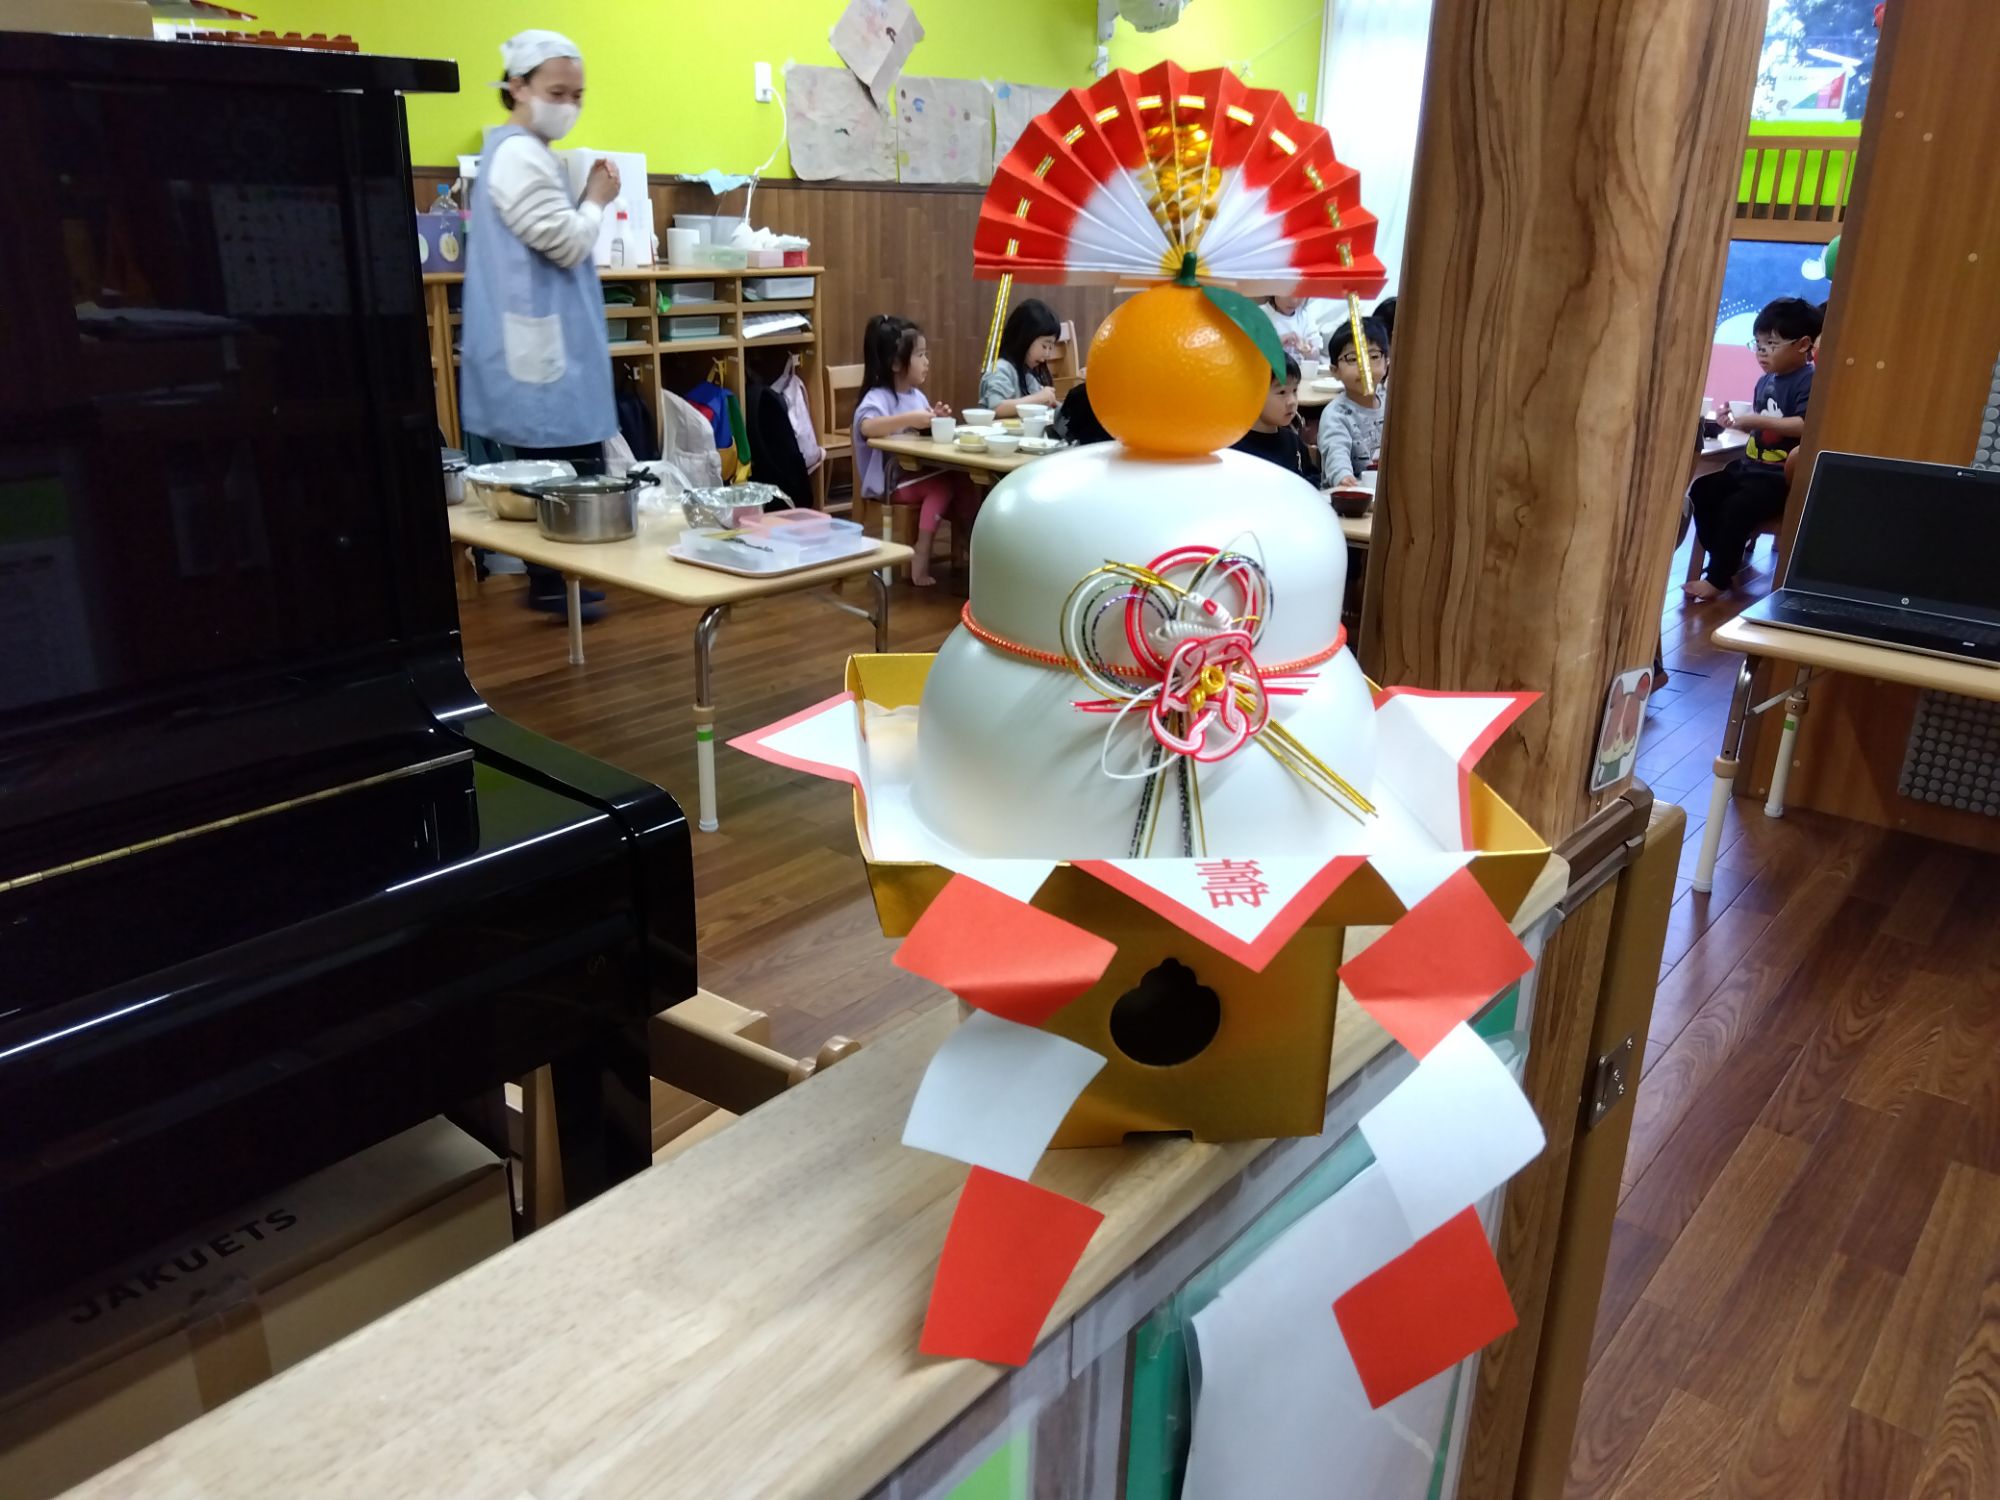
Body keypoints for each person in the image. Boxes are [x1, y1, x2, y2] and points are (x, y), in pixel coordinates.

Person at [460, 29, 621, 619]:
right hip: (539, 348)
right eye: (557, 92)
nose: (569, 106)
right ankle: (556, 583)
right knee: (562, 469)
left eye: (577, 95)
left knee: (560, 465)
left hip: (540, 341)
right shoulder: (518, 156)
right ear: (518, 86)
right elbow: (567, 241)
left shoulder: (521, 152)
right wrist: (597, 198)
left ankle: (561, 581)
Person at [1683, 297, 1821, 601]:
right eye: (1757, 343)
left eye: (1771, 344)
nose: (1761, 351)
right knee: (1702, 490)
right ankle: (1724, 554)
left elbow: (1805, 425)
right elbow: (1762, 429)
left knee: (1738, 507)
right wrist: (1734, 422)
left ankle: (1718, 577)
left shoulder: (1810, 381)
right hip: (1751, 467)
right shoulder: (1766, 380)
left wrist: (1755, 420)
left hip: (1778, 477)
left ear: (1803, 344)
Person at [853, 316, 976, 587]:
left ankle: (974, 548)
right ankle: (921, 553)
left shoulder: (916, 396)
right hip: (890, 483)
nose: (926, 362)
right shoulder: (877, 398)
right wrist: (910, 419)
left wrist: (933, 420)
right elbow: (867, 427)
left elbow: (918, 432)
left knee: (964, 480)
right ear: (897, 363)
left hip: (916, 474)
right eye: (920, 355)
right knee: (941, 487)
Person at [1317, 316, 1389, 490]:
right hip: (1351, 495)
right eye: (1352, 358)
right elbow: (1336, 452)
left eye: (1373, 356)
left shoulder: (1392, 403)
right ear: (1335, 371)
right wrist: (1344, 476)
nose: (1365, 366)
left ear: (1387, 363)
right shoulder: (1336, 415)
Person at [1231, 355, 1317, 484]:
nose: (1292, 401)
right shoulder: (1235, 449)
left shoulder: (1293, 441)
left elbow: (1312, 477)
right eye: (1282, 392)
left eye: (1294, 390)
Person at [978, 299, 1063, 418]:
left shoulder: (1028, 375)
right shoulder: (1000, 369)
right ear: (1024, 338)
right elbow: (996, 408)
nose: (1047, 354)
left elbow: (1046, 403)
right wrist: (1038, 398)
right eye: (1044, 346)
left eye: (1051, 348)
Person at [1262, 294, 1328, 362]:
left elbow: (1315, 356)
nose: (1294, 301)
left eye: (1300, 294)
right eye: (1288, 294)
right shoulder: (1260, 314)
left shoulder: (1304, 316)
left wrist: (1309, 351)